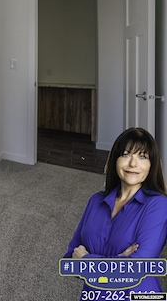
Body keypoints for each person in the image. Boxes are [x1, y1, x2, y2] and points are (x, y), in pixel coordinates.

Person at [64, 127, 167, 297]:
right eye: (126, 154)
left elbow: (135, 270)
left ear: (152, 165)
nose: (133, 164)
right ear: (115, 160)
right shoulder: (96, 201)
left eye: (142, 156)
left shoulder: (159, 205)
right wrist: (120, 260)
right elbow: (69, 261)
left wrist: (86, 260)